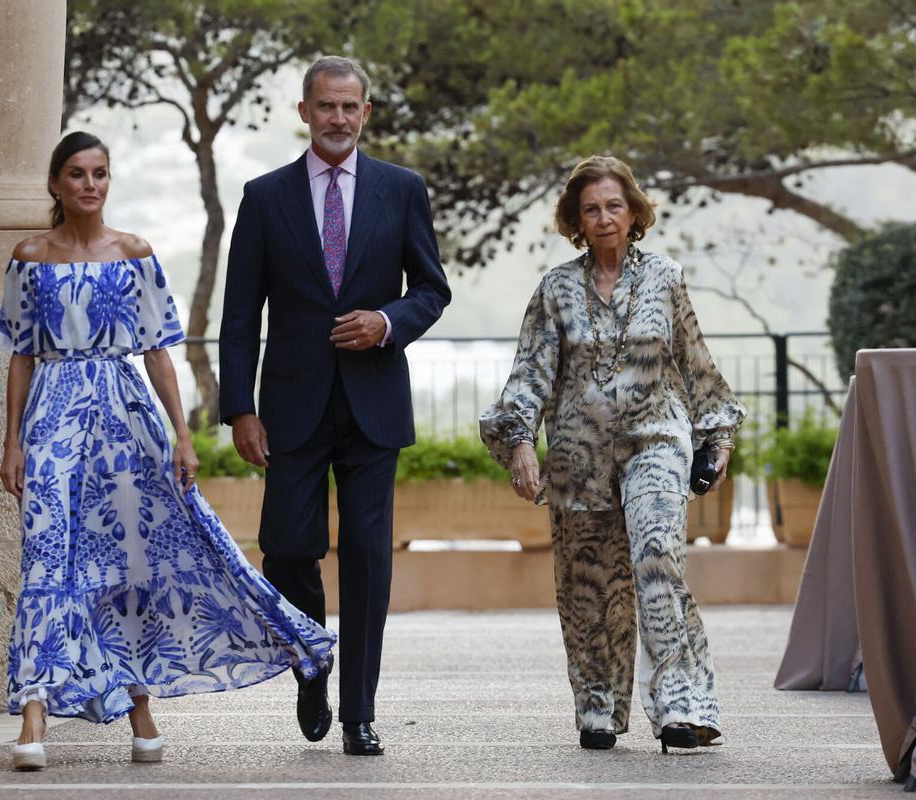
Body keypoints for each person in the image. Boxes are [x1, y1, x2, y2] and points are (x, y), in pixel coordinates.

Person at [0, 131, 336, 771]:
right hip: (52, 416)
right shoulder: (30, 256)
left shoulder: (135, 254)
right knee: (46, 556)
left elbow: (159, 350)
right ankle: (34, 715)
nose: (89, 185)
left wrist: (182, 436)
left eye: (100, 173)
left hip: (126, 419)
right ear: (55, 184)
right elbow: (20, 354)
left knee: (130, 561)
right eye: (76, 174)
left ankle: (142, 710)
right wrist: (11, 440)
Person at [218, 56, 451, 756]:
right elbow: (238, 316)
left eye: (351, 107)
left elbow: (432, 290)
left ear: (366, 113)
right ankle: (312, 654)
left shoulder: (402, 189)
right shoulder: (264, 197)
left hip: (374, 402)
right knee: (288, 550)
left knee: (368, 559)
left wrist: (387, 322)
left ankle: (359, 713)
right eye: (326, 106)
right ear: (305, 111)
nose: (338, 118)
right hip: (291, 406)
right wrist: (240, 409)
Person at [480, 155, 745, 753]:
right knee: (589, 583)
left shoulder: (665, 278)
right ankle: (598, 704)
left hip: (657, 437)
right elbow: (530, 374)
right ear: (576, 218)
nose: (604, 218)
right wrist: (520, 441)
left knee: (657, 560)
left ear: (634, 212)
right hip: (579, 453)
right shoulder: (555, 289)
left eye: (614, 206)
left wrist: (717, 436)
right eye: (591, 209)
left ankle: (683, 706)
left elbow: (696, 362)